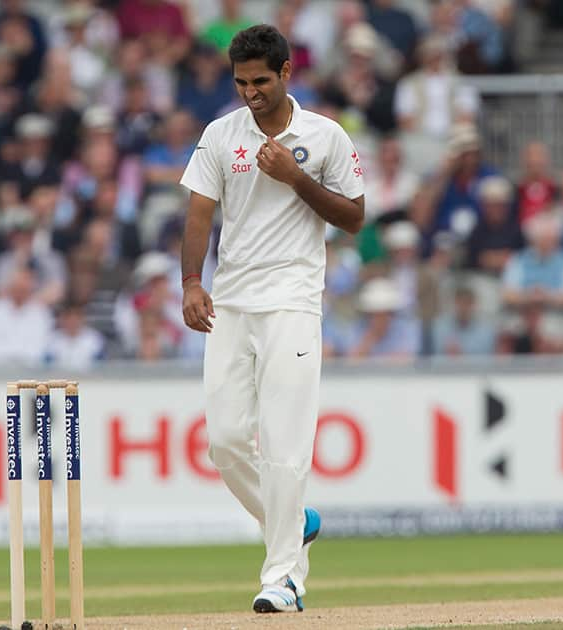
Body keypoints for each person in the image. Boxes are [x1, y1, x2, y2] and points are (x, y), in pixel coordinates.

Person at [179, 25, 365, 613]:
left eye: (261, 80)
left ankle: (283, 577)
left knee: (286, 446)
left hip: (292, 300)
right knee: (227, 442)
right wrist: (190, 281)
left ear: (287, 73)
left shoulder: (325, 136)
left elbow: (355, 218)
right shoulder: (219, 134)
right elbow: (199, 213)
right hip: (231, 302)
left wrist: (296, 177)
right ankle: (294, 521)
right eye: (241, 82)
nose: (250, 92)